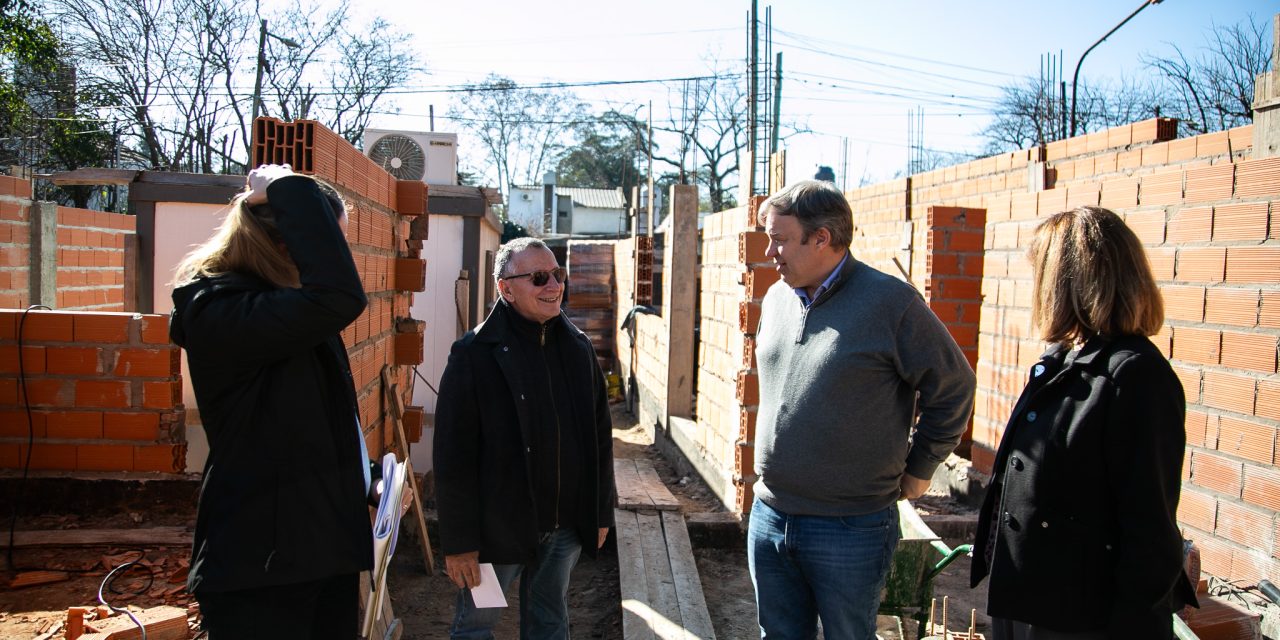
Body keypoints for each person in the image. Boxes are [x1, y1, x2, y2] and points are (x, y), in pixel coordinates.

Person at [749, 180, 977, 639]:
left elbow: (954, 386)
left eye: (780, 239)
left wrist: (922, 465)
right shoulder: (776, 298)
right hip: (770, 515)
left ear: (822, 238)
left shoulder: (891, 303)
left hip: (849, 527)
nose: (770, 251)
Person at [971, 206, 1197, 639]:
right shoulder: (1061, 363)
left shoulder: (1134, 376)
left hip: (1083, 617)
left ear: (1069, 282)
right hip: (1032, 599)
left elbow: (1149, 527)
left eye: (1041, 274)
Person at [170, 164, 374, 639]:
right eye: (329, 242)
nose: (338, 258)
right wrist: (288, 188)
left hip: (318, 554)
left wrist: (366, 478)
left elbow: (305, 419)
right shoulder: (220, 309)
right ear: (288, 244)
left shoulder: (285, 307)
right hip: (261, 570)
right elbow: (341, 297)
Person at [434, 237, 615, 640]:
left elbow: (599, 437)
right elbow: (453, 457)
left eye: (557, 274)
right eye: (538, 278)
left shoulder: (578, 348)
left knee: (550, 624)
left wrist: (600, 512)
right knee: (477, 627)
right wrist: (459, 542)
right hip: (495, 536)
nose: (553, 285)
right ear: (506, 289)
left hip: (563, 529)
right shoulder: (474, 355)